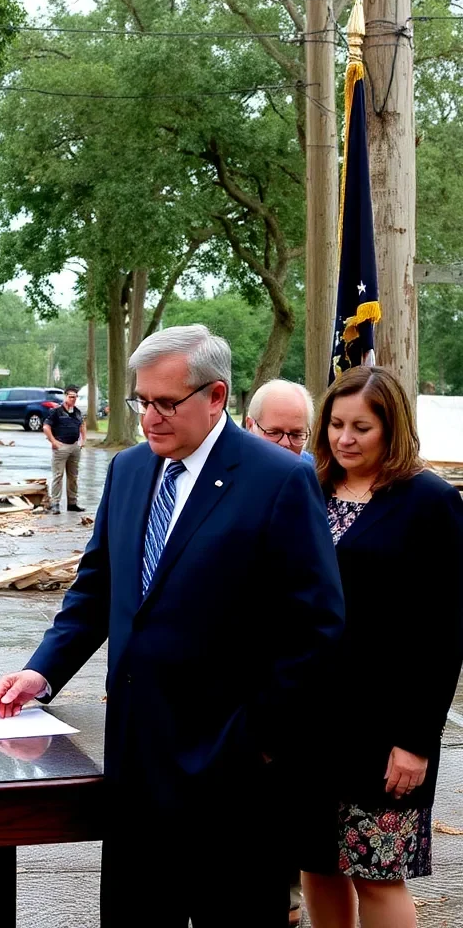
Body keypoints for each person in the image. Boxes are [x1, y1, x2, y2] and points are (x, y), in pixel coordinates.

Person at [0, 324, 344, 927]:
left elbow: (316, 627)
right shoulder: (130, 472)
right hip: (134, 759)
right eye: (141, 401)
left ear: (215, 397)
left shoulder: (278, 480)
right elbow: (98, 588)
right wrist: (41, 671)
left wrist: (255, 737)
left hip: (231, 774)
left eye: (165, 403)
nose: (150, 417)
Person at [299, 367, 463, 928]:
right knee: (317, 865)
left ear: (392, 428)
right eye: (336, 424)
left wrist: (415, 741)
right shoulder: (309, 489)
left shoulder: (430, 501)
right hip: (306, 723)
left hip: (385, 727)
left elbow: (444, 632)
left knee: (376, 871)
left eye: (362, 427)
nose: (345, 438)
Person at [245, 378, 316, 925]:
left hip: (291, 694)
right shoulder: (230, 479)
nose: (289, 444)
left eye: (298, 434)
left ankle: (287, 903)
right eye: (278, 433)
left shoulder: (307, 481)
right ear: (250, 426)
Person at [43, 384, 86, 514]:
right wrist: (53, 441)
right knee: (58, 475)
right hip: (61, 446)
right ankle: (55, 503)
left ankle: (72, 502)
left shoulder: (77, 412)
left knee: (73, 476)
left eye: (75, 397)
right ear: (65, 396)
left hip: (74, 447)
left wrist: (83, 440)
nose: (73, 399)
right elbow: (46, 427)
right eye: (71, 397)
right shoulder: (56, 411)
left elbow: (82, 425)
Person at [246, 379, 314, 460]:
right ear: (250, 426)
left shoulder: (314, 470)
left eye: (296, 435)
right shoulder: (230, 467)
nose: (285, 443)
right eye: (274, 433)